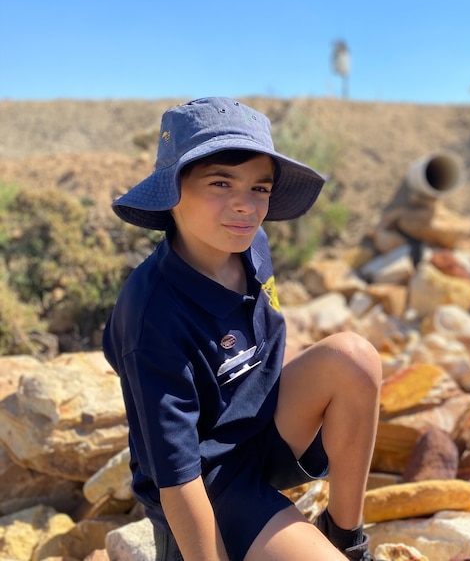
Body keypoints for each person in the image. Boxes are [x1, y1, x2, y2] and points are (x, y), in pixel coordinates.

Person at [103, 97, 382, 561]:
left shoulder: (252, 247)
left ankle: (345, 537)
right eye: (220, 183)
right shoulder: (151, 313)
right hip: (212, 479)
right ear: (172, 191)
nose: (245, 206)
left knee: (353, 357)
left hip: (265, 430)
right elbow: (177, 474)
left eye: (260, 188)